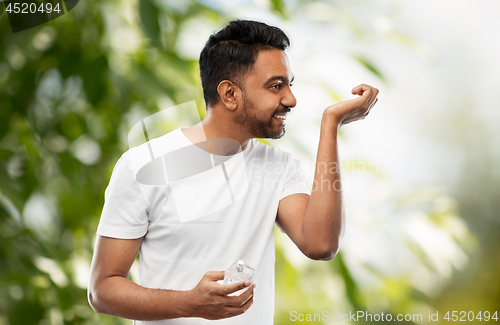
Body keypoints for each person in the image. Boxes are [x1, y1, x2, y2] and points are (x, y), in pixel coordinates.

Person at [88, 19, 379, 324]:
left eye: (290, 84)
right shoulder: (142, 165)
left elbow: (321, 244)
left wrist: (330, 125)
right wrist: (189, 304)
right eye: (275, 86)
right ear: (229, 94)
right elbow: (102, 290)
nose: (291, 99)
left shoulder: (278, 169)